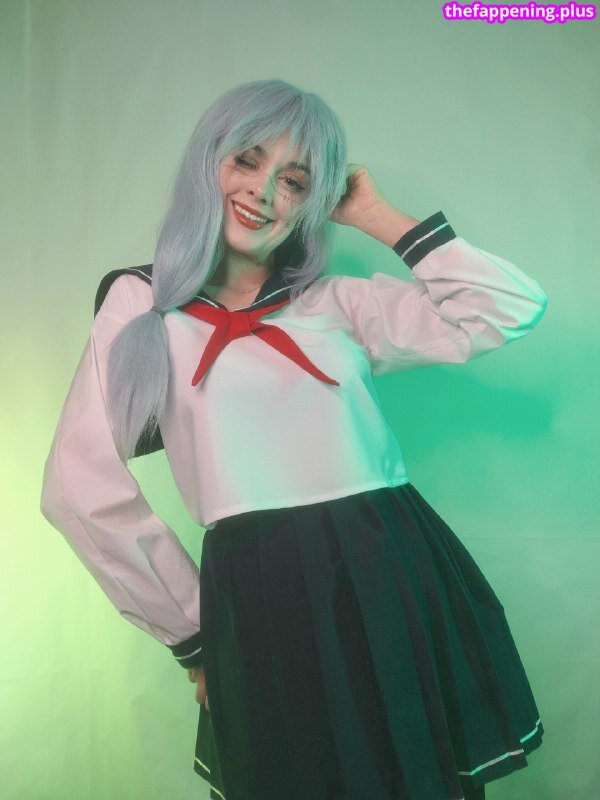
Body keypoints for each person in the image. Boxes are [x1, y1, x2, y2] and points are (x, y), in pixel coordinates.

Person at [40, 79, 547, 800]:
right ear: (208, 161)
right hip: (259, 592)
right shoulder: (141, 303)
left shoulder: (336, 302)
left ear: (312, 202)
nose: (264, 190)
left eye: (295, 180)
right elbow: (77, 485)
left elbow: (509, 308)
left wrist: (374, 214)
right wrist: (192, 634)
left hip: (393, 567)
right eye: (247, 161)